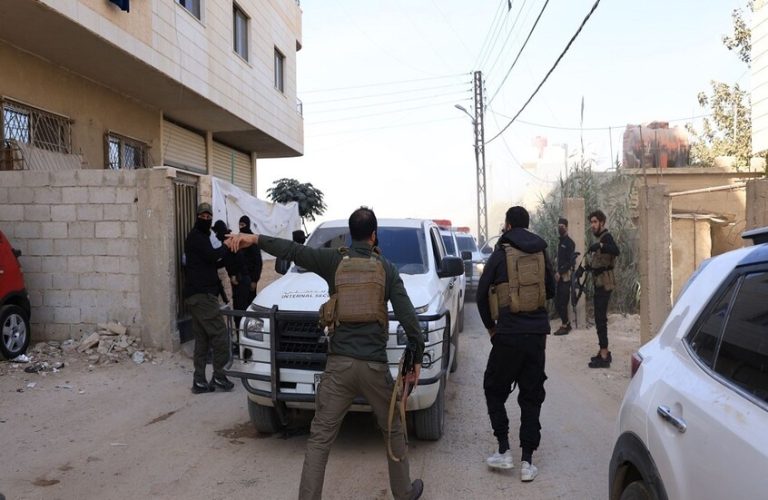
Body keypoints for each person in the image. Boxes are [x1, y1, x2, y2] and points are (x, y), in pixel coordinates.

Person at [226, 207, 424, 500]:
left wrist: (254, 239)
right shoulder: (387, 268)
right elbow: (409, 320)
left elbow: (293, 250)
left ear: (350, 234)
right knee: (393, 428)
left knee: (320, 439)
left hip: (339, 368)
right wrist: (416, 358)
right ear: (373, 235)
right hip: (374, 368)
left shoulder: (334, 261)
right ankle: (404, 492)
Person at [476, 206, 555, 483]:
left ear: (508, 225)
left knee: (493, 388)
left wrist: (491, 328)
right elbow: (551, 290)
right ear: (527, 225)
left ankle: (503, 450)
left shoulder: (501, 253)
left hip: (507, 335)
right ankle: (527, 462)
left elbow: (481, 293)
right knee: (531, 396)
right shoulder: (541, 251)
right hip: (537, 336)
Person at [183, 203, 235, 394]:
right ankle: (219, 376)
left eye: (208, 217)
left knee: (202, 339)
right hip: (202, 296)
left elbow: (211, 261)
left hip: (197, 295)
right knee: (221, 336)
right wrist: (226, 245)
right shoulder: (197, 237)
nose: (206, 219)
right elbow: (212, 256)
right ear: (197, 217)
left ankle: (199, 381)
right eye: (202, 216)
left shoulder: (202, 237)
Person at [586, 209, 620, 368]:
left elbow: (616, 250)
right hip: (599, 282)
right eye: (591, 222)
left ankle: (605, 354)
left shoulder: (606, 237)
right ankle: (602, 350)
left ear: (602, 222)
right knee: (599, 318)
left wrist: (600, 245)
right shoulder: (601, 237)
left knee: (600, 318)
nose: (592, 225)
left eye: (595, 222)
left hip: (605, 283)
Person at [553, 217, 576, 336]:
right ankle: (566, 324)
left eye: (562, 226)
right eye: (559, 226)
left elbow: (570, 262)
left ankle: (565, 326)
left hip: (566, 277)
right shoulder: (560, 242)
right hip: (559, 278)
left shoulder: (569, 243)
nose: (560, 228)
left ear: (566, 227)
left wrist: (560, 272)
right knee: (558, 303)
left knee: (562, 302)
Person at [238, 215, 263, 305]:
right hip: (241, 279)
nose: (241, 227)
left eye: (243, 225)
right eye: (240, 225)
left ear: (247, 225)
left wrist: (254, 280)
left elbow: (258, 262)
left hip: (250, 278)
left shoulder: (252, 239)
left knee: (250, 303)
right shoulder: (239, 238)